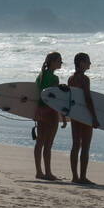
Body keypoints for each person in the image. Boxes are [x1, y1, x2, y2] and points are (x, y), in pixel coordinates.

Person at [67, 53, 101, 185]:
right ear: (81, 63)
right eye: (88, 61)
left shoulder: (71, 78)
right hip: (85, 115)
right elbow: (87, 99)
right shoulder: (85, 79)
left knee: (75, 145)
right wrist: (94, 117)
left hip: (75, 115)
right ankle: (82, 177)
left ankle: (75, 176)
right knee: (85, 146)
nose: (90, 64)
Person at [33, 52, 67, 180]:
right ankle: (48, 173)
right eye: (59, 60)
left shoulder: (40, 76)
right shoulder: (54, 79)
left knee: (39, 142)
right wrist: (63, 117)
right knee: (48, 144)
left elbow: (38, 96)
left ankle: (39, 172)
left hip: (41, 111)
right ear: (52, 62)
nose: (61, 63)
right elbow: (55, 100)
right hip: (51, 112)